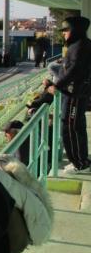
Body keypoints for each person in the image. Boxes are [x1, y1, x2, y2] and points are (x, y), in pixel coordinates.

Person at [44, 16, 91, 173]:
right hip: (75, 94)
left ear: (74, 30)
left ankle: (80, 164)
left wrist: (56, 86)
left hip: (74, 95)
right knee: (76, 127)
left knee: (70, 128)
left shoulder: (79, 46)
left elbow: (74, 70)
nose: (64, 34)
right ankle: (81, 160)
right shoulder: (80, 45)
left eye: (66, 30)